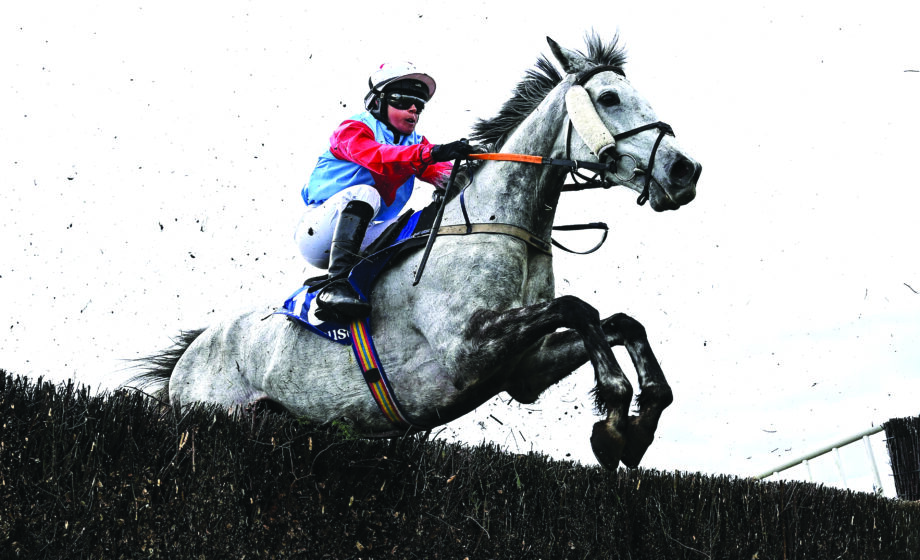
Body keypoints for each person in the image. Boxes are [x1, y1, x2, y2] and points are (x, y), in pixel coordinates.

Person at [295, 62, 473, 324]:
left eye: (419, 105)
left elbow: (447, 176)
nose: (414, 109)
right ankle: (334, 288)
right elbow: (379, 157)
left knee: (423, 224)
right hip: (319, 232)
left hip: (365, 234)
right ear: (378, 103)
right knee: (367, 193)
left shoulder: (416, 144)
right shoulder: (354, 128)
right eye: (403, 101)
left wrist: (479, 166)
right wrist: (432, 152)